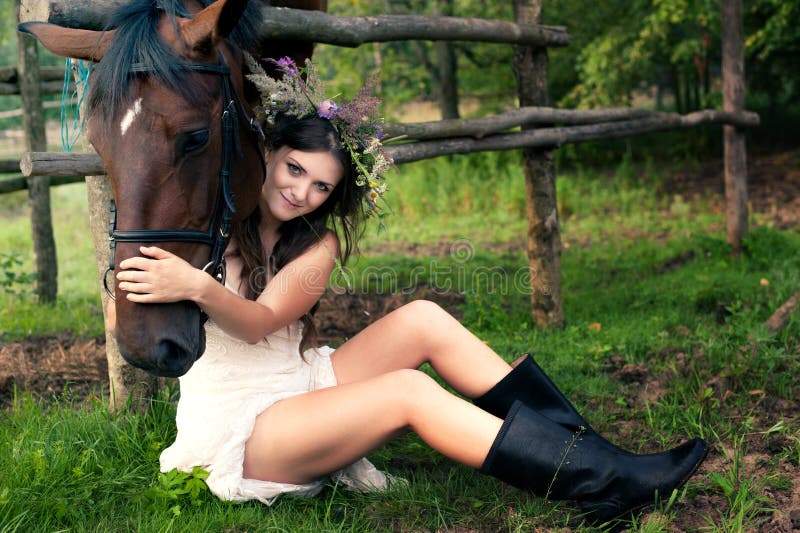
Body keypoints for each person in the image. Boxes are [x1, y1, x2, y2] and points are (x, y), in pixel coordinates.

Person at [106, 57, 707, 527]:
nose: (302, 193)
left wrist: (195, 288)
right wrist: (171, 282)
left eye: (321, 187)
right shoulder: (204, 222)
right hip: (245, 428)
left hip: (300, 387)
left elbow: (261, 321)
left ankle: (598, 458)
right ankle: (599, 482)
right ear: (268, 153)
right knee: (409, 392)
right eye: (294, 169)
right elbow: (132, 296)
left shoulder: (317, 246)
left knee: (423, 317)